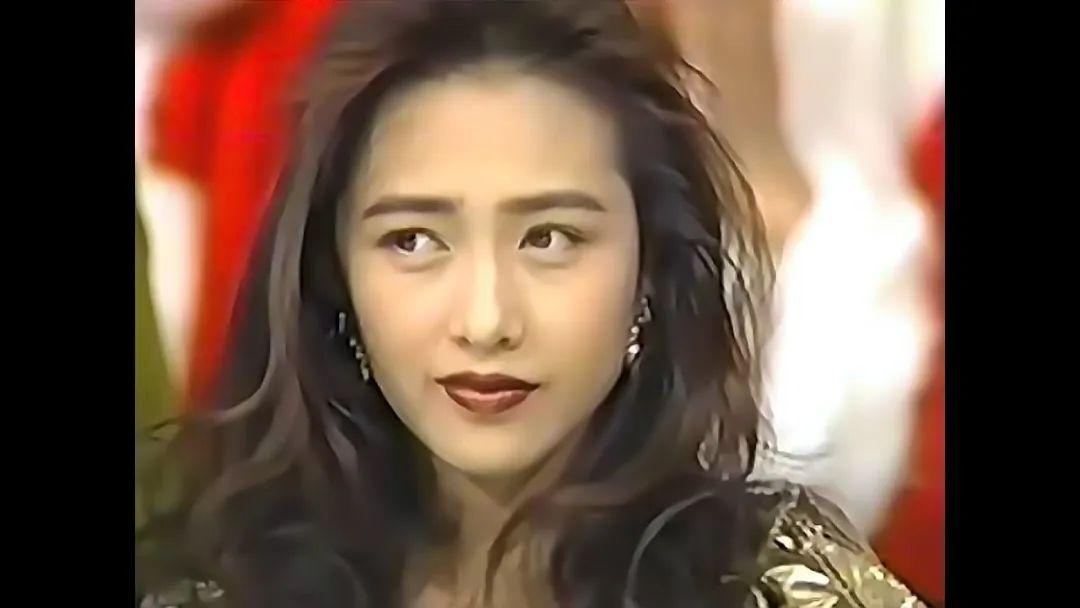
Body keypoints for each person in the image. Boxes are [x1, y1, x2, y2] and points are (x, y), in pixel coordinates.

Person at [137, 2, 925, 606]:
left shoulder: (783, 589)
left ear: (651, 270)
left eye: (549, 239)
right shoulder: (216, 589)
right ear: (332, 275)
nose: (486, 321)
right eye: (414, 241)